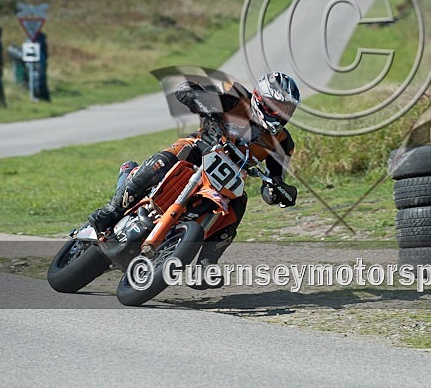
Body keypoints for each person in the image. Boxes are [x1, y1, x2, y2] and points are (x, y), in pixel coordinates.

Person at [87, 71, 301, 287]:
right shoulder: (235, 96)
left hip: (228, 177)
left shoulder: (282, 141)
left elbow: (276, 177)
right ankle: (112, 210)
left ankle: (205, 265)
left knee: (239, 203)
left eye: (287, 109)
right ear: (260, 98)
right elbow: (185, 91)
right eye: (277, 106)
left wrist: (276, 190)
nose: (281, 113)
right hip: (198, 150)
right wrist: (201, 101)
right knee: (166, 159)